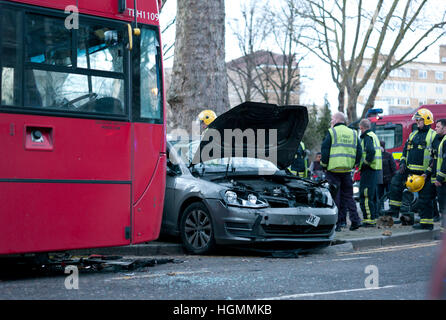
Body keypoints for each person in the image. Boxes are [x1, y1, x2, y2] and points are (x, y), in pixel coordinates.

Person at [383, 108, 437, 230]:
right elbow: (404, 152)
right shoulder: (413, 135)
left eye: (419, 120)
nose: (417, 121)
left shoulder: (433, 136)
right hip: (408, 171)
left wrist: (428, 171)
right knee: (395, 183)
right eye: (416, 119)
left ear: (427, 121)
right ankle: (394, 210)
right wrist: (402, 163)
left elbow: (435, 157)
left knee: (425, 199)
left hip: (424, 174)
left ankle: (426, 223)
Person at [321, 112, 362, 231]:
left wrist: (324, 165)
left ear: (337, 120)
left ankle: (337, 224)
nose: (331, 122)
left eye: (332, 119)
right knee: (349, 196)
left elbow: (324, 150)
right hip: (347, 170)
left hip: (333, 170)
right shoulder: (354, 133)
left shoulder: (332, 132)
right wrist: (353, 164)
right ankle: (355, 221)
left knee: (335, 197)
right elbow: (359, 152)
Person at [358, 119, 382, 227]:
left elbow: (371, 151)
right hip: (375, 169)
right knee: (372, 195)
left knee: (365, 195)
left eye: (360, 129)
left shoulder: (367, 137)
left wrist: (364, 164)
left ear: (362, 128)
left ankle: (368, 220)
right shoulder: (373, 135)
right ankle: (373, 217)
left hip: (369, 169)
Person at [433, 118, 446, 230]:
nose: (435, 129)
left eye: (438, 127)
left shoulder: (445, 141)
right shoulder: (441, 140)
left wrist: (439, 178)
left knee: (444, 207)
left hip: (444, 181)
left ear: (444, 128)